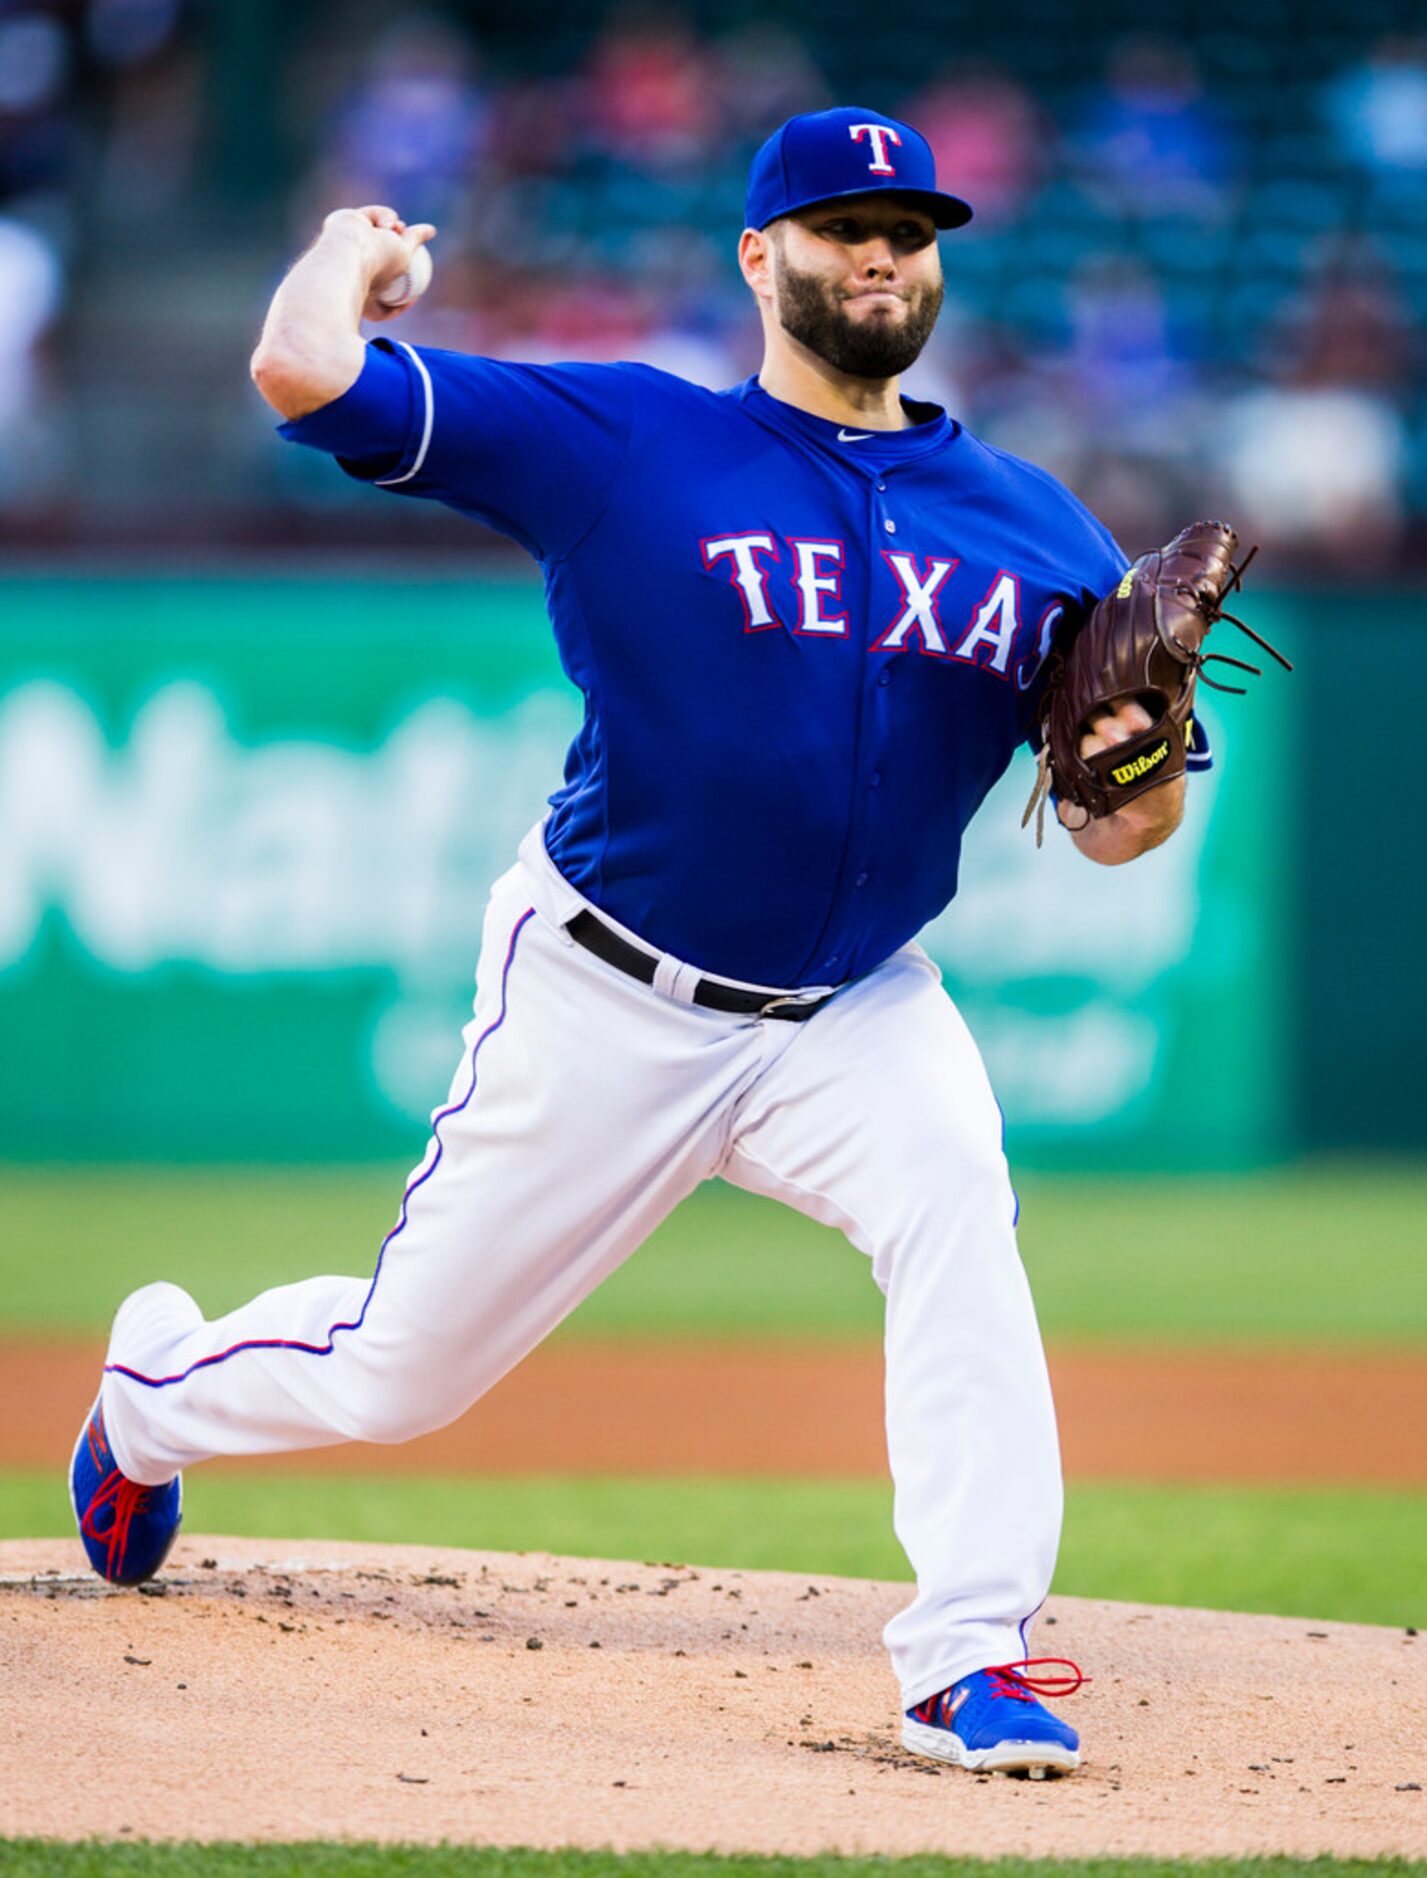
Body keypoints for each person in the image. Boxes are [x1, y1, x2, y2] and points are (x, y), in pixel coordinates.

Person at [71, 106, 1201, 1779]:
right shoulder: (629, 440)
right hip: (609, 985)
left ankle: (974, 1652)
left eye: (911, 225)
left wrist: (1139, 777)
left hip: (855, 1004)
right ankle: (154, 1389)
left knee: (958, 1193)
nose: (881, 251)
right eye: (839, 223)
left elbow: (1125, 825)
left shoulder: (1036, 528)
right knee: (402, 1374)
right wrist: (348, 256)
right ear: (762, 256)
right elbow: (305, 378)